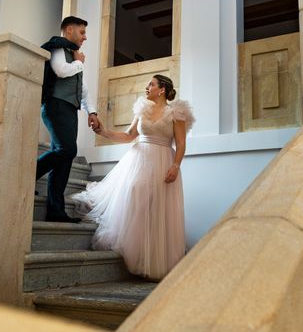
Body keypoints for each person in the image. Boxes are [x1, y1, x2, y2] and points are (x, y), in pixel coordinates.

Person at [73, 74, 194, 280]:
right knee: (136, 194)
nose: (147, 87)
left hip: (164, 160)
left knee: (159, 208)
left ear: (162, 89)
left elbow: (181, 144)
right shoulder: (142, 108)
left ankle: (155, 262)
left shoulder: (176, 112)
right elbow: (129, 135)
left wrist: (175, 165)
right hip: (139, 159)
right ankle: (137, 255)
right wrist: (103, 132)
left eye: (151, 84)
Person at [36, 16, 100, 223]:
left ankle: (56, 211)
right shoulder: (57, 48)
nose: (85, 37)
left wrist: (92, 112)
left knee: (64, 160)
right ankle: (26, 176)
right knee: (67, 150)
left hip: (70, 110)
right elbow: (61, 71)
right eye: (82, 32)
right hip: (55, 106)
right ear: (69, 30)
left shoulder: (73, 55)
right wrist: (79, 63)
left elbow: (82, 89)